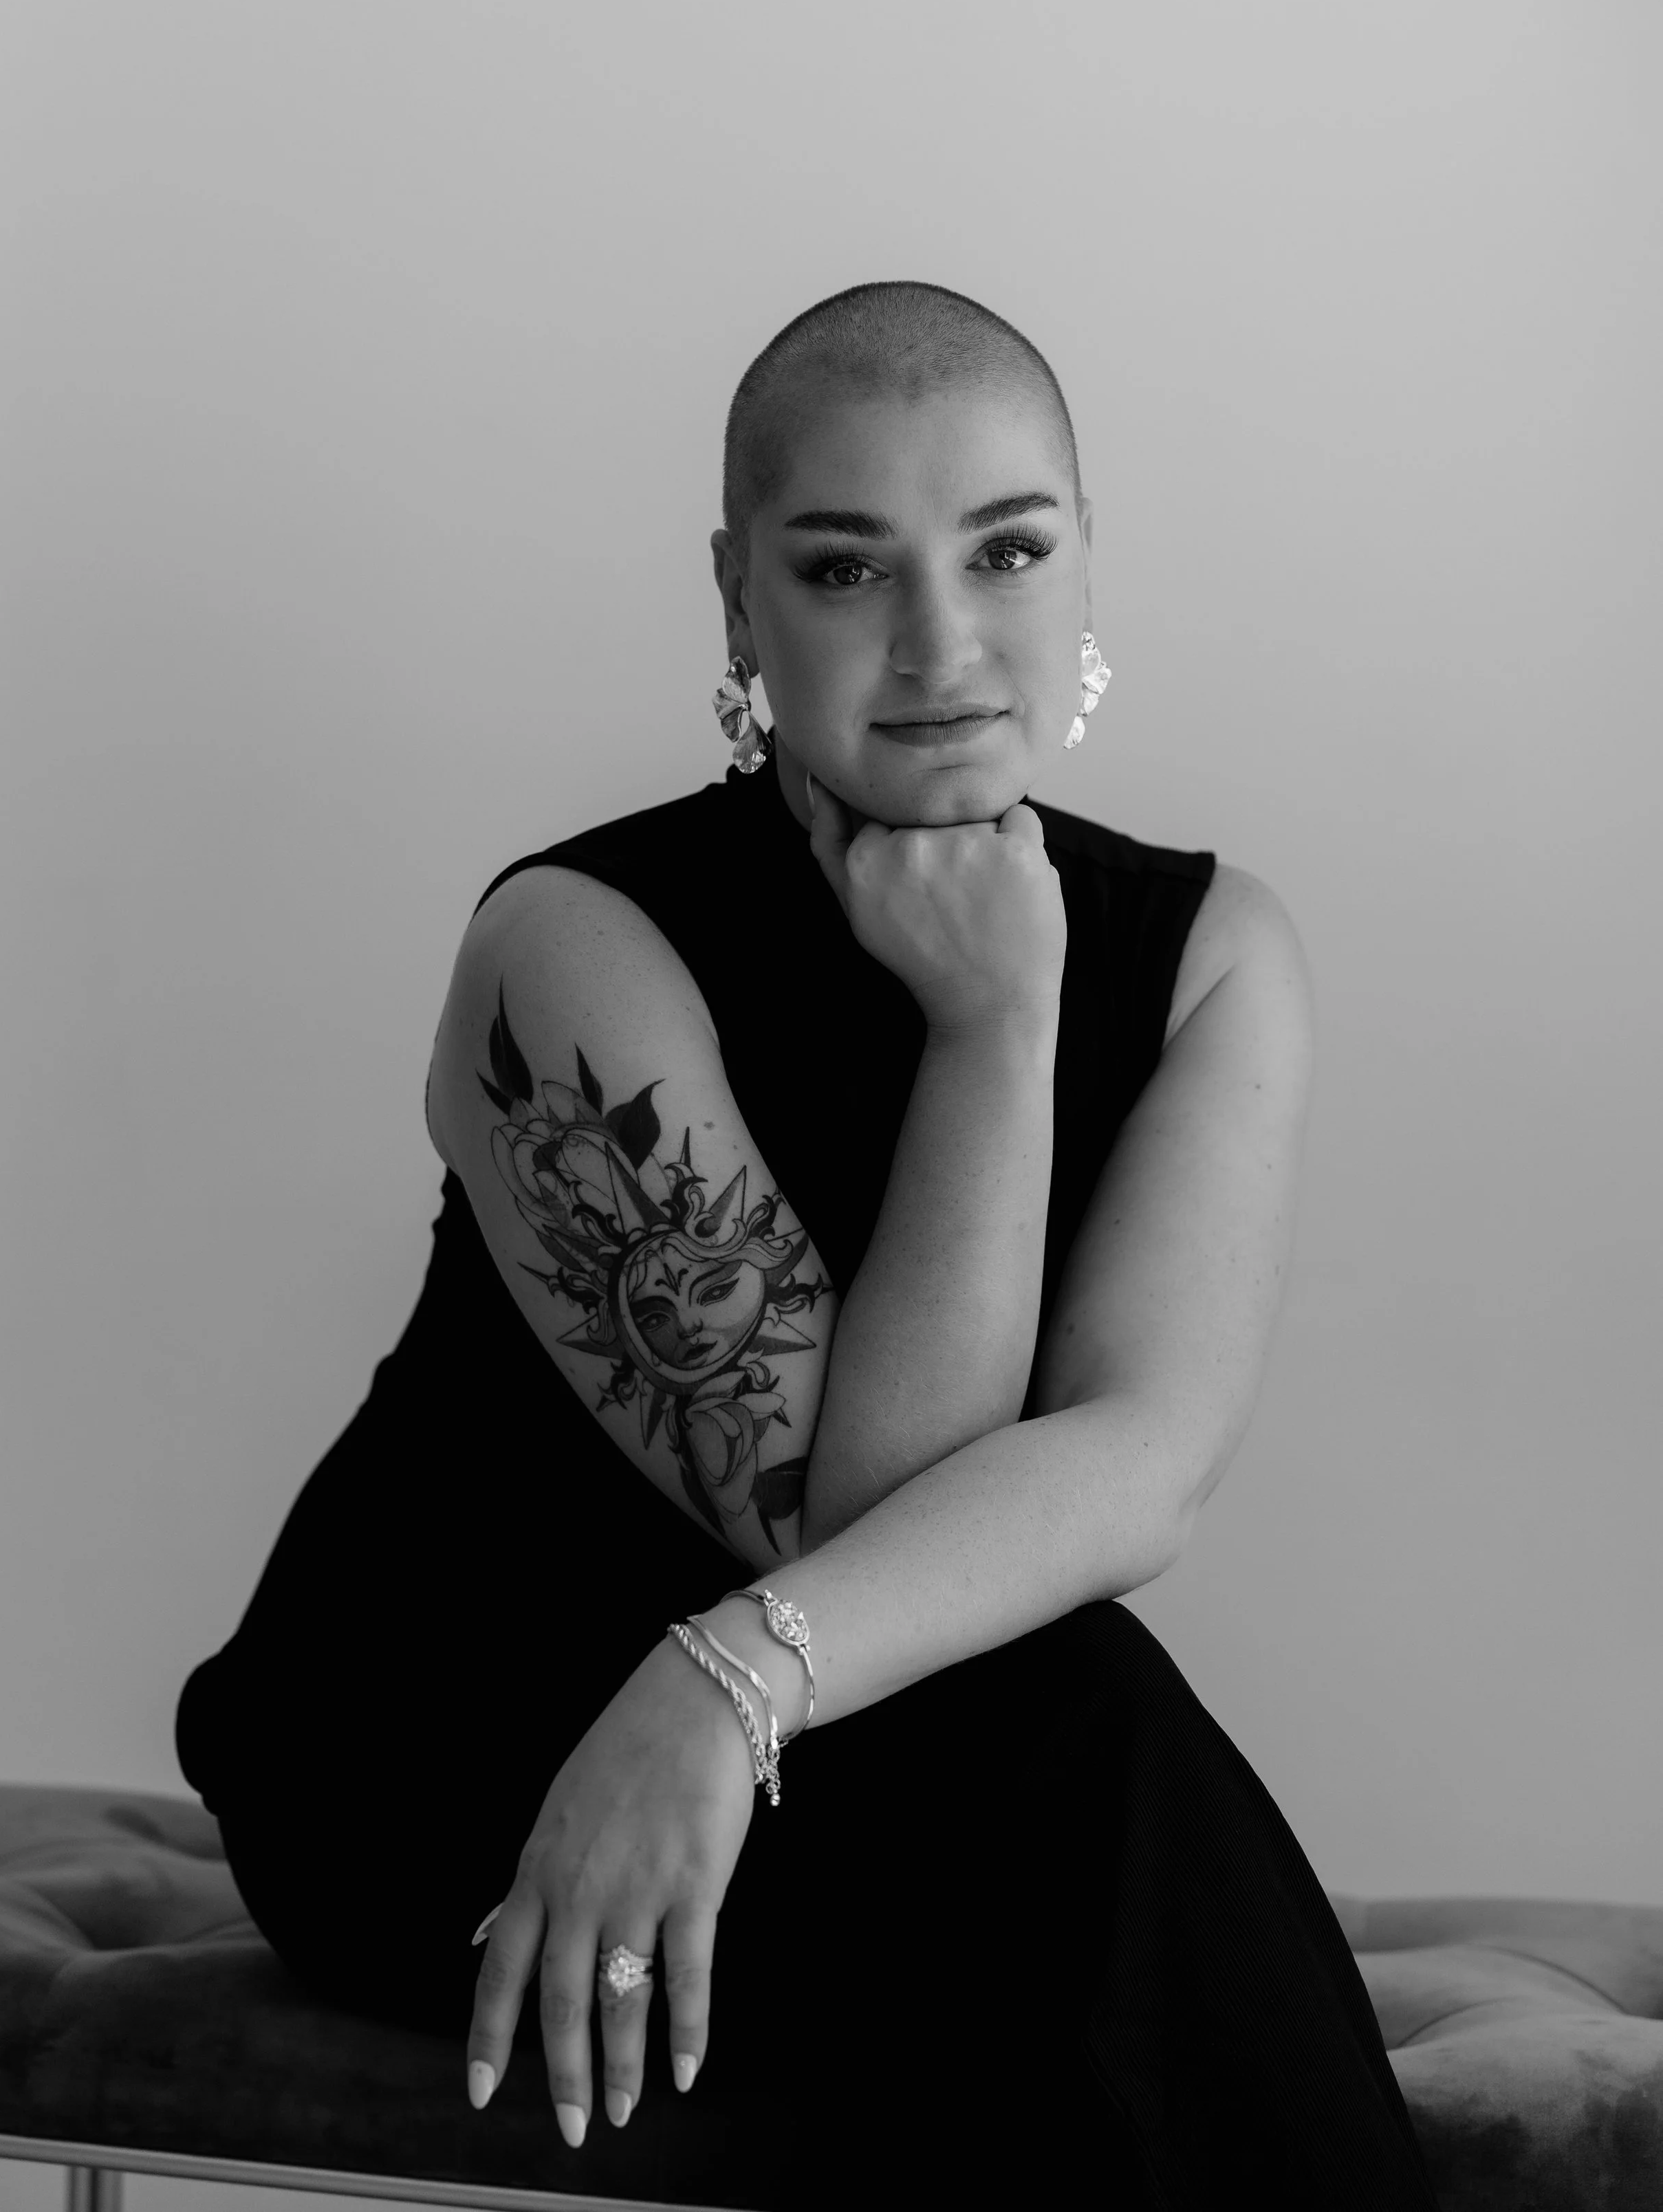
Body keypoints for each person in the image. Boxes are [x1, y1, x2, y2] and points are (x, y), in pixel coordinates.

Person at [176, 282, 1439, 2208]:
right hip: (467, 1744)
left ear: (1085, 557)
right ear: (735, 596)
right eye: (845, 567)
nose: (942, 643)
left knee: (1050, 1762)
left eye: (1007, 549)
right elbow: (856, 1520)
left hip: (794, 1722)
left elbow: (1135, 1465)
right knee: (1061, 1753)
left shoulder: (1213, 949)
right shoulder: (575, 945)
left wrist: (721, 1683)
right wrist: (991, 1026)